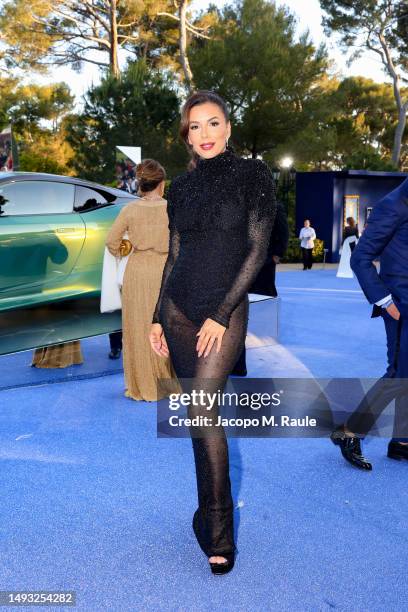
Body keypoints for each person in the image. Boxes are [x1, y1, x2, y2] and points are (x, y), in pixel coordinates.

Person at [149, 90, 277, 574]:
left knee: (205, 415)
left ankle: (220, 533)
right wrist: (156, 317)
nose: (204, 134)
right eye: (195, 126)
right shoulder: (179, 188)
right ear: (187, 134)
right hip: (179, 311)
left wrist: (222, 313)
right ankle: (206, 515)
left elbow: (257, 250)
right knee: (198, 424)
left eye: (213, 123)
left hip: (222, 315)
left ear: (228, 127)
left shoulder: (253, 175)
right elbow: (174, 255)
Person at [331, 178, 408, 469]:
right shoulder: (393, 205)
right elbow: (361, 258)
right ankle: (349, 431)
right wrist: (386, 302)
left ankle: (402, 441)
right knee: (398, 374)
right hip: (401, 304)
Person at [105, 159, 181, 401]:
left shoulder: (129, 210)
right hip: (167, 272)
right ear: (162, 183)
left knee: (138, 328)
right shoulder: (173, 208)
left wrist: (127, 247)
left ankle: (143, 386)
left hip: (137, 272)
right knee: (169, 328)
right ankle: (169, 384)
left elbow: (111, 242)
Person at [232, 200, 289, 376]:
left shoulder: (275, 206)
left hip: (265, 260)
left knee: (266, 294)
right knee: (243, 296)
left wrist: (277, 254)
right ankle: (249, 333)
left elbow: (283, 232)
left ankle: (266, 334)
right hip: (242, 259)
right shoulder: (240, 204)